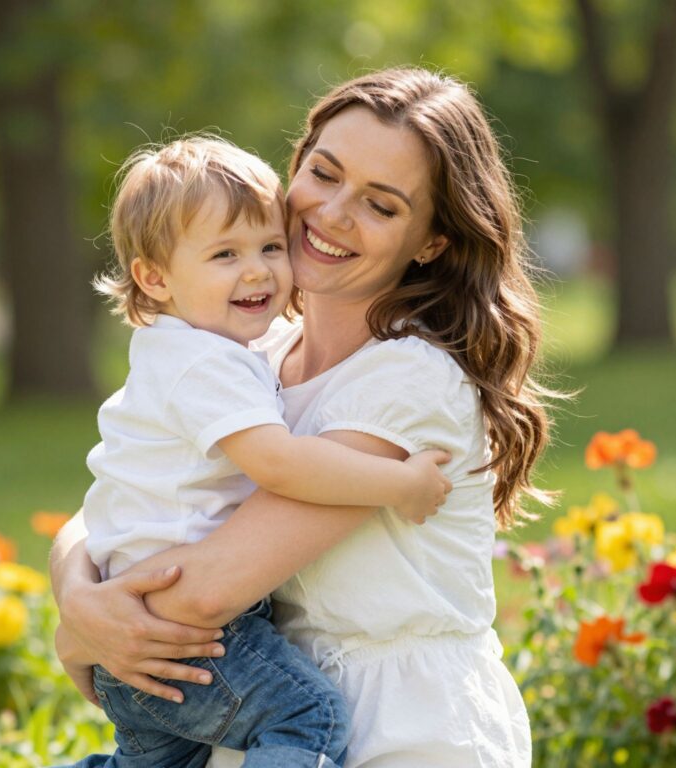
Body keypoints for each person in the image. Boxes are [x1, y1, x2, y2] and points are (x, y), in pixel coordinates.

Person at [52, 67, 555, 768]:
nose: (333, 213)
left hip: (399, 726)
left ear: (431, 241)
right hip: (258, 713)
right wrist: (77, 594)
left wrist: (84, 631)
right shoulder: (251, 348)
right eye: (324, 173)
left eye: (381, 206)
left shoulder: (409, 380)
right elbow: (119, 494)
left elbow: (207, 592)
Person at [70, 136, 452, 768]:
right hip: (193, 636)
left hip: (144, 623)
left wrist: (80, 616)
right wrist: (397, 484)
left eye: (270, 246)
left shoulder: (205, 349)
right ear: (153, 276)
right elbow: (277, 463)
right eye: (225, 254)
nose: (257, 271)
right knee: (309, 717)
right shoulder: (207, 363)